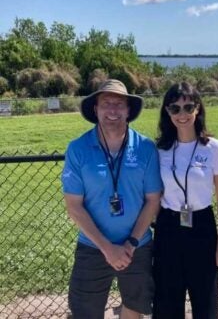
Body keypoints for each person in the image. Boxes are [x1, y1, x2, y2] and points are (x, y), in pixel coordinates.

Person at [61, 79, 163, 319]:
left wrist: (130, 244)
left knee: (134, 308)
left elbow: (152, 200)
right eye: (106, 104)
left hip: (137, 246)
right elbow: (74, 206)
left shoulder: (146, 148)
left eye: (119, 104)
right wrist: (107, 248)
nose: (113, 111)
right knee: (84, 311)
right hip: (92, 245)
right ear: (95, 109)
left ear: (128, 110)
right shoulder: (78, 148)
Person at [153, 82, 218, 319]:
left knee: (205, 302)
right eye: (175, 108)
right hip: (168, 227)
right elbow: (154, 196)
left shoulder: (214, 148)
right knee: (167, 303)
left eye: (188, 107)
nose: (182, 114)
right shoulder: (160, 150)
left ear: (198, 109)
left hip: (202, 227)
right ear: (167, 112)